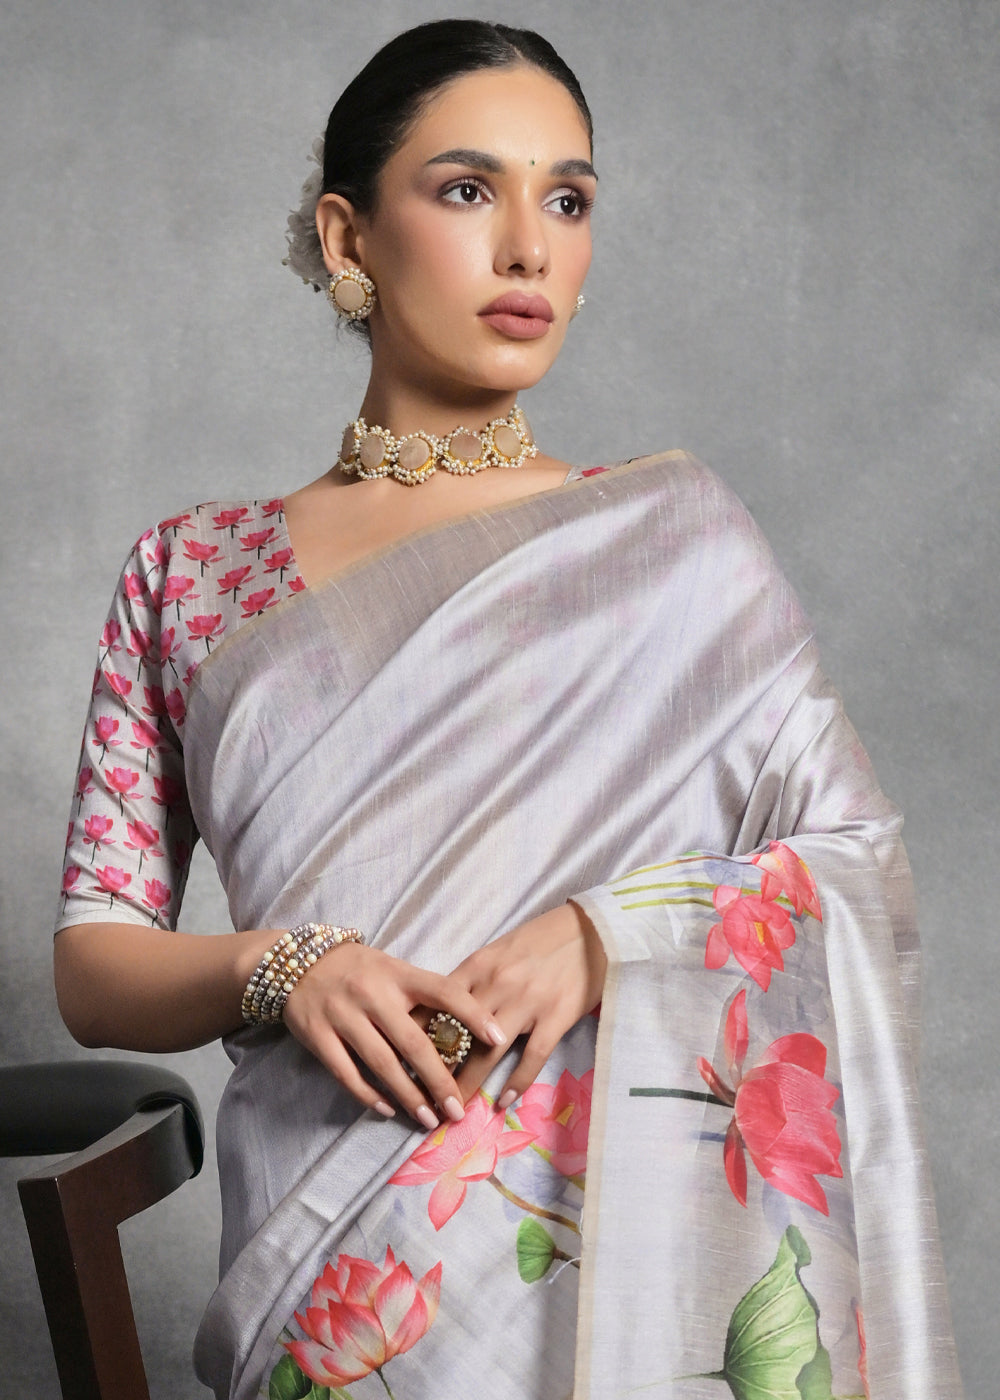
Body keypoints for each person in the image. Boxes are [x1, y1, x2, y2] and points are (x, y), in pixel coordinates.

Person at [54, 19, 962, 1400]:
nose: (531, 247)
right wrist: (286, 966)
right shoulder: (192, 572)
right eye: (470, 190)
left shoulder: (675, 546)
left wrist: (608, 937)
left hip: (611, 1252)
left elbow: (854, 865)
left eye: (570, 200)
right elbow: (94, 967)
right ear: (349, 238)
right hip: (334, 1272)